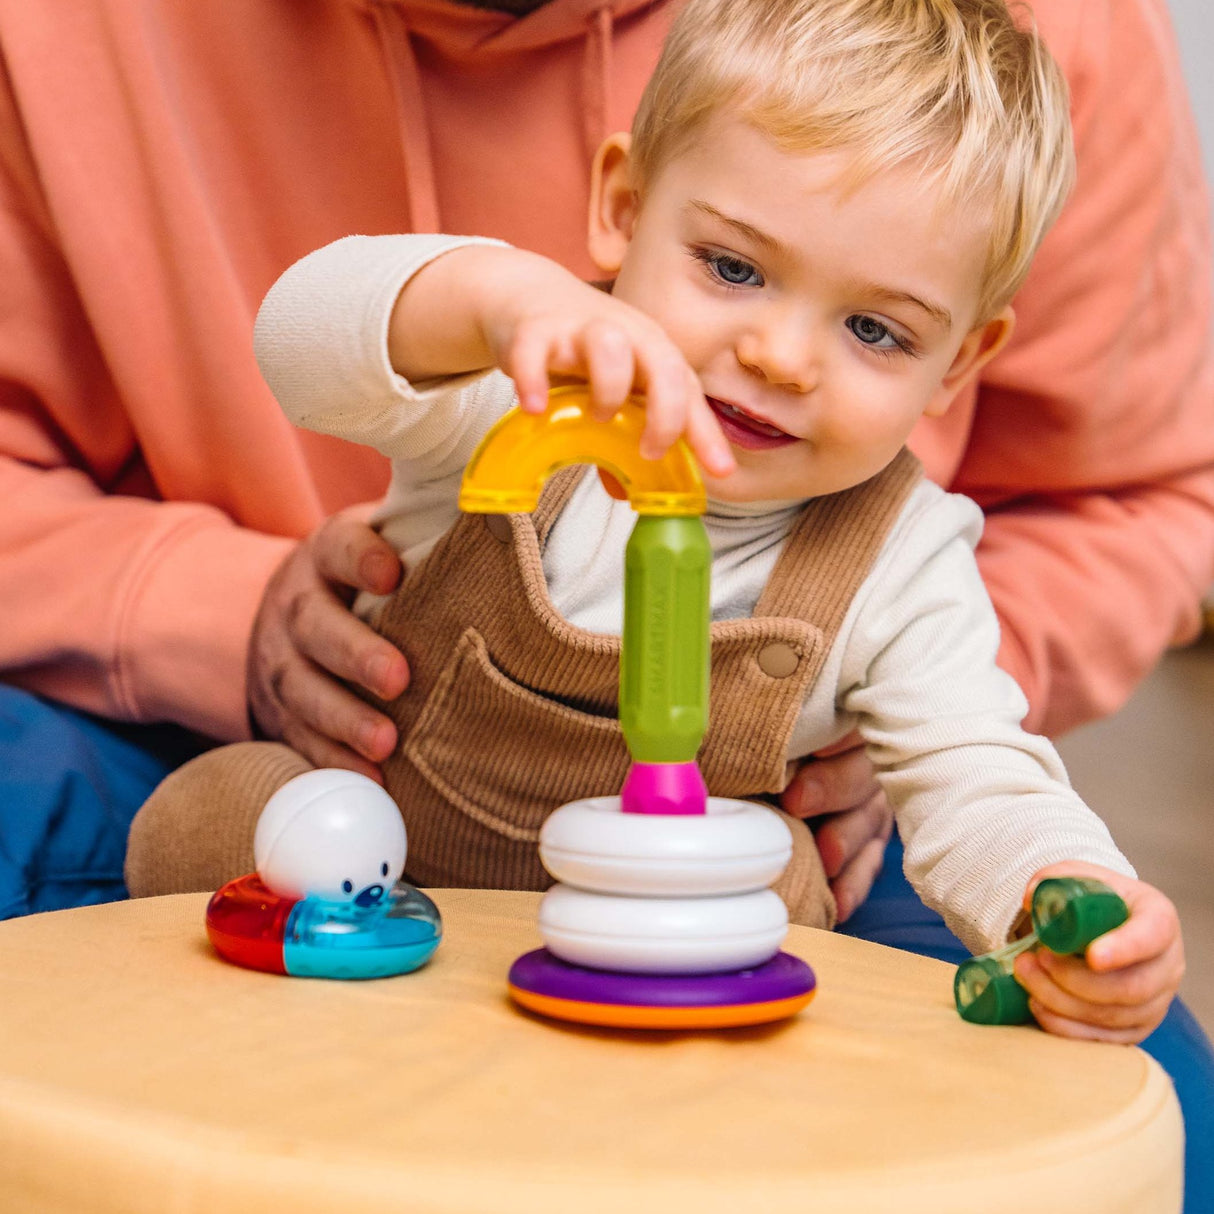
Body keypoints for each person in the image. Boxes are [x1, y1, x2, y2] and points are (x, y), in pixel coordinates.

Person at [0, 0, 1211, 930]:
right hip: (366, 834)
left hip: (663, 924)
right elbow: (304, 341)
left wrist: (1066, 895)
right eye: (733, 268)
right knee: (208, 822)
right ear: (619, 208)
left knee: (1125, 1092)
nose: (777, 356)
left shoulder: (904, 563)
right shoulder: (515, 396)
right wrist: (481, 295)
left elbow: (978, 772)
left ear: (959, 362)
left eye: (874, 330)